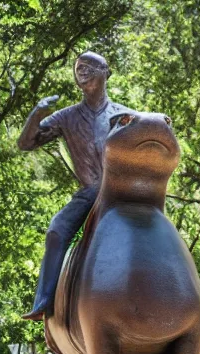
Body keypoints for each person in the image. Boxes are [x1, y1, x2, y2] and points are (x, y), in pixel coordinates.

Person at [18, 51, 133, 320]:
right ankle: (44, 300)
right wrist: (37, 113)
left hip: (122, 192)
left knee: (156, 228)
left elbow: (149, 137)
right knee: (57, 231)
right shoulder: (66, 117)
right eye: (79, 67)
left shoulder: (125, 116)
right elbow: (26, 143)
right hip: (89, 192)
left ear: (107, 73)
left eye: (91, 66)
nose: (83, 70)